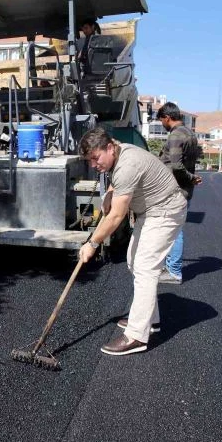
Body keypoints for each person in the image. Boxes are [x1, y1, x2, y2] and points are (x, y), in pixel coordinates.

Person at [78, 127, 187, 355]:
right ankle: (151, 320)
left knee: (145, 267)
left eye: (95, 159)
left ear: (109, 148)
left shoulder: (128, 164)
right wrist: (109, 193)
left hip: (166, 210)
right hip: (150, 210)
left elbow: (116, 216)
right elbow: (114, 177)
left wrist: (92, 243)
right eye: (89, 161)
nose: (93, 165)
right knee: (133, 261)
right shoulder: (116, 151)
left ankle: (137, 336)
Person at [156, 102, 203, 284]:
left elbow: (176, 166)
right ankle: (169, 267)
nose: (162, 124)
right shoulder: (190, 134)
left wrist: (190, 177)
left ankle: (174, 271)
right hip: (183, 189)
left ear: (167, 118)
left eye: (161, 120)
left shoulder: (176, 135)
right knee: (173, 228)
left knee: (174, 230)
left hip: (174, 189)